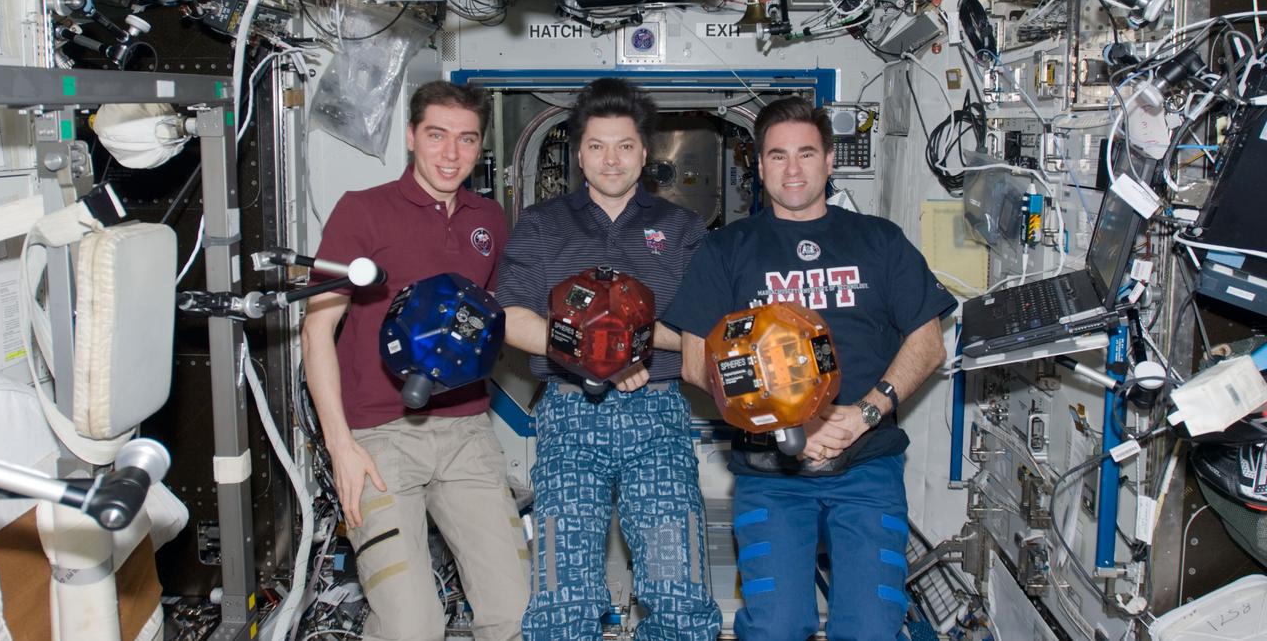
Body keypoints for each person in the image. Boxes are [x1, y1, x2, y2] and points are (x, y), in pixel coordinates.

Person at [663, 96, 955, 641]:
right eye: (776, 156)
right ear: (759, 165)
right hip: (769, 473)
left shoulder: (879, 241)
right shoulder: (726, 249)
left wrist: (864, 413)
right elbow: (695, 361)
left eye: (805, 153)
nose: (792, 169)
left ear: (829, 161)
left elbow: (927, 342)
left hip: (867, 463)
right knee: (774, 627)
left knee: (871, 628)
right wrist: (785, 422)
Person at [495, 78, 723, 641]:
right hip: (570, 417)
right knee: (562, 595)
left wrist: (630, 345)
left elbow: (703, 330)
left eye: (624, 145)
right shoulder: (542, 226)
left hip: (658, 417)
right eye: (597, 145)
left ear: (645, 153)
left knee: (679, 591)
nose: (611, 159)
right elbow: (510, 317)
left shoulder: (683, 230)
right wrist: (596, 353)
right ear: (578, 153)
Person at [301, 81, 529, 641]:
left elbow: (495, 320)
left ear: (481, 148)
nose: (451, 154)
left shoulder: (489, 220)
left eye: (467, 139)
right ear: (410, 137)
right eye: (436, 135)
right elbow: (316, 327)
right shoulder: (363, 212)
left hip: (466, 434)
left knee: (518, 613)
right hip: (378, 441)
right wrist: (341, 447)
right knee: (411, 627)